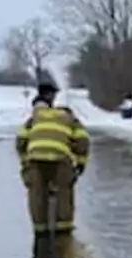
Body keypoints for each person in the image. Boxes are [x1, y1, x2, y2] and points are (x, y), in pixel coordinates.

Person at [17, 78, 89, 236]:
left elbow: (21, 140)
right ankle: (63, 232)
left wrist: (24, 165)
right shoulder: (68, 117)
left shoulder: (34, 118)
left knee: (36, 195)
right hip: (61, 159)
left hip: (35, 160)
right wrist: (81, 163)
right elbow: (82, 140)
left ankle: (40, 232)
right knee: (64, 192)